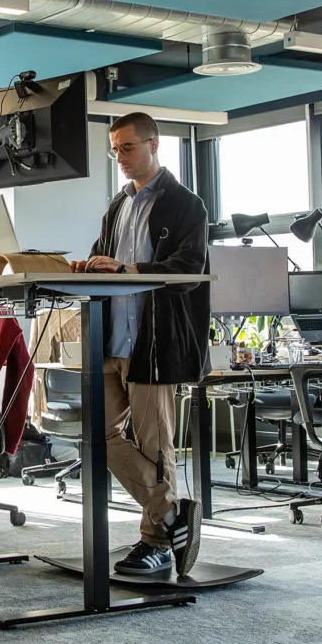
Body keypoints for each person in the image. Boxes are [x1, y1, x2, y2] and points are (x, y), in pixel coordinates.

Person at [71, 111, 209, 577]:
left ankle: (156, 543)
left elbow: (188, 269)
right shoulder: (117, 205)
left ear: (154, 144)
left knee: (155, 446)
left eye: (127, 147)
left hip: (153, 344)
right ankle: (172, 514)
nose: (120, 157)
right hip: (110, 341)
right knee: (97, 434)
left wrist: (129, 270)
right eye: (115, 150)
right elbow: (104, 257)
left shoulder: (186, 204)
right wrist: (90, 266)